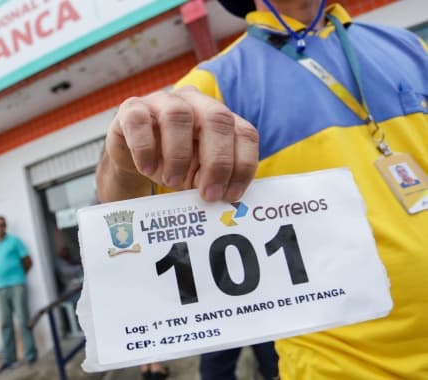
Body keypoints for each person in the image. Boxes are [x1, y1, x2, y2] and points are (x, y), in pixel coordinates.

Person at [96, 0, 428, 379]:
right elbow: (119, 211)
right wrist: (124, 149)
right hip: (341, 368)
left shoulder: (410, 47)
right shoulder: (212, 84)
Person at [0, 215, 37, 374]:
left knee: (24, 320)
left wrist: (18, 276)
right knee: (5, 324)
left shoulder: (15, 241)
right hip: (0, 288)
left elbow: (28, 261)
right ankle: (10, 360)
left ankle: (31, 356)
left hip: (17, 285)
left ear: (6, 226)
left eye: (2, 224)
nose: (0, 227)